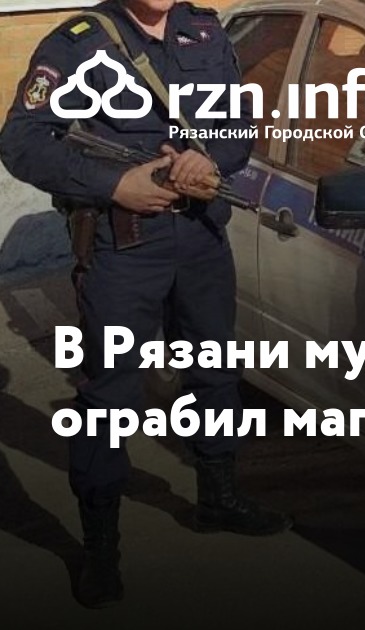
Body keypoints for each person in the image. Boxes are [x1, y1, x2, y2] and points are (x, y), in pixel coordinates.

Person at [0, 0, 291, 609]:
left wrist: (210, 157)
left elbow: (239, 124)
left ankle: (218, 498)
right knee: (110, 394)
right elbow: (21, 141)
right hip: (123, 245)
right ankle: (100, 548)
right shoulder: (78, 42)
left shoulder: (204, 30)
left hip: (202, 236)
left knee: (214, 371)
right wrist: (115, 184)